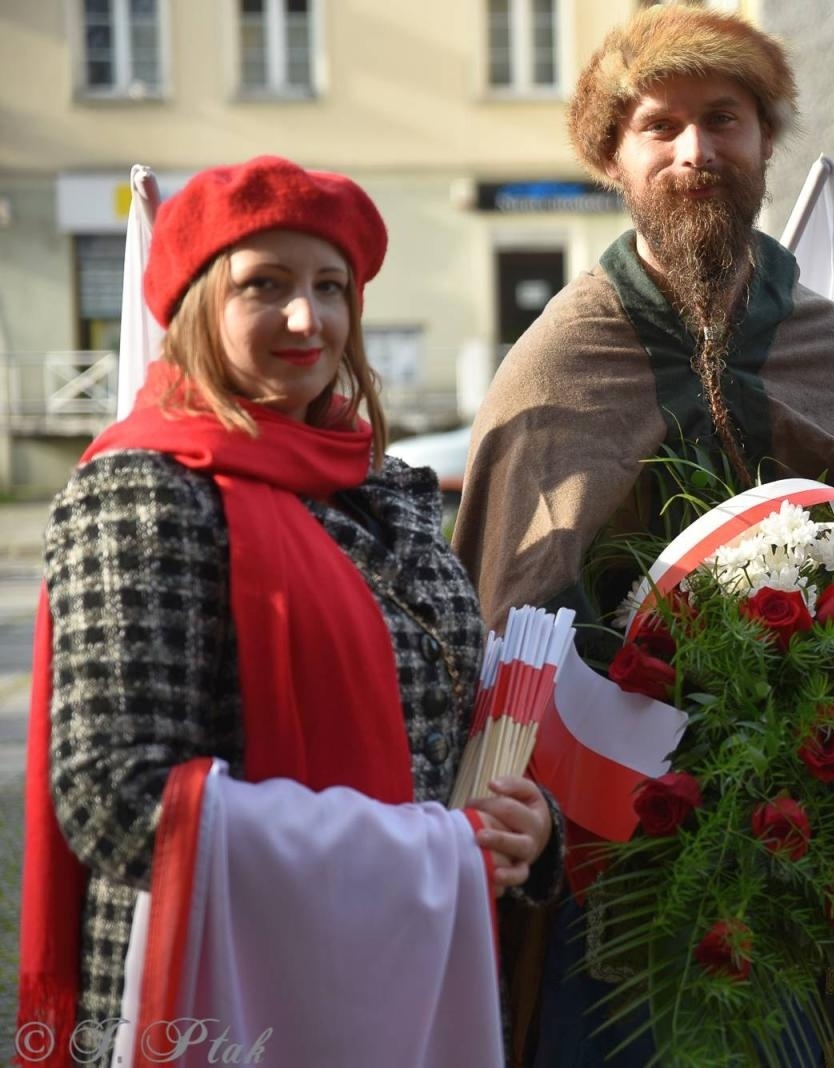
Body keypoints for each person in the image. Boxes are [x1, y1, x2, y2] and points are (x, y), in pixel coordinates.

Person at [17, 156, 562, 1064]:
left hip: (408, 977)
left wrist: (526, 828)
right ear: (197, 305)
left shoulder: (388, 490)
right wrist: (423, 857)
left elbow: (447, 727)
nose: (308, 318)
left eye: (329, 287)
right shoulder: (146, 488)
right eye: (264, 285)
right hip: (225, 994)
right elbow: (115, 797)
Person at [450, 7, 834, 1065]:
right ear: (613, 157)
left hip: (823, 829)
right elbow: (509, 621)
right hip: (621, 859)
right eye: (660, 126)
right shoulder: (558, 358)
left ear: (765, 140)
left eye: (724, 119)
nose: (695, 151)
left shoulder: (825, 344)